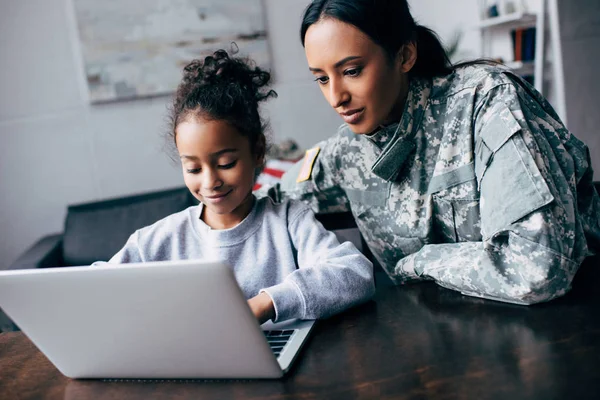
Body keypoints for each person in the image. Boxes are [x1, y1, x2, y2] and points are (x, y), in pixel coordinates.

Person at [260, 0, 600, 305]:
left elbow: (537, 266)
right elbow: (266, 201)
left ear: (405, 56)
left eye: (351, 71)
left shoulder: (488, 102)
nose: (336, 97)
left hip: (568, 333)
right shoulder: (346, 151)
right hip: (444, 347)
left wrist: (420, 262)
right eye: (321, 78)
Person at [100, 49, 375, 323]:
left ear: (257, 152)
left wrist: (266, 303)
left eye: (226, 163)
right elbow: (94, 285)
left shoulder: (289, 221)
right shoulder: (159, 240)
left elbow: (354, 273)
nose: (210, 182)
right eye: (193, 168)